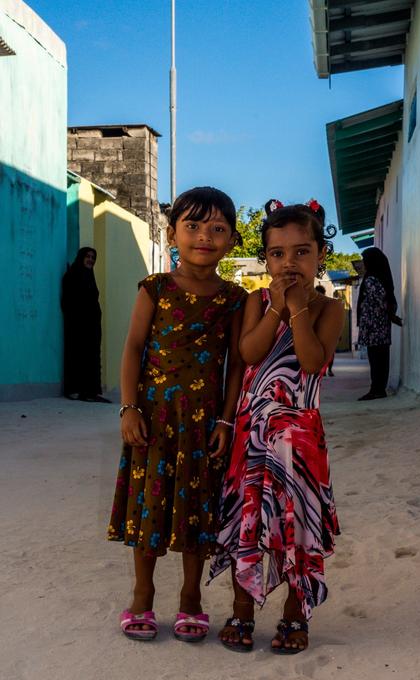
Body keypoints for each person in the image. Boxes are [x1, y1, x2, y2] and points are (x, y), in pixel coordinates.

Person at [108, 186, 248, 642]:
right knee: (147, 506)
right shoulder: (156, 288)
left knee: (197, 511)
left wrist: (226, 420)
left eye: (217, 229)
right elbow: (132, 348)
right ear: (172, 233)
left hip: (203, 423)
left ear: (231, 240)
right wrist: (128, 408)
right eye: (193, 226)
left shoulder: (234, 299)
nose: (203, 236)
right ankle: (142, 597)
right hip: (153, 417)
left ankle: (192, 599)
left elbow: (235, 367)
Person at [208, 199, 344, 653]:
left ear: (320, 255)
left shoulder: (329, 309)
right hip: (252, 436)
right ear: (265, 258)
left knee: (297, 528)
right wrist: (277, 311)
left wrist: (300, 309)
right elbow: (249, 353)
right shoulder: (254, 302)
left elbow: (310, 361)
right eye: (278, 253)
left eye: (302, 252)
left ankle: (294, 614)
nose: (290, 263)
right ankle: (242, 610)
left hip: (300, 441)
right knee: (249, 522)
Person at [61, 247, 110, 402]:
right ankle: (73, 389)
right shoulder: (71, 276)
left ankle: (90, 391)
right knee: (76, 354)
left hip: (92, 325)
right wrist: (75, 319)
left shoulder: (90, 276)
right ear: (81, 257)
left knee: (92, 356)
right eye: (88, 256)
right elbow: (67, 301)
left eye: (93, 257)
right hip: (77, 324)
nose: (90, 260)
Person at [356, 247, 398, 401]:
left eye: (365, 260)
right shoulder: (377, 277)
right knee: (380, 358)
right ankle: (378, 389)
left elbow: (380, 300)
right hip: (378, 326)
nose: (363, 263)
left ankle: (377, 389)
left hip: (375, 326)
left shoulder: (372, 279)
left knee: (377, 359)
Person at [315, 284, 335, 376]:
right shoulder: (311, 304)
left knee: (329, 354)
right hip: (317, 333)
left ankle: (328, 370)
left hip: (326, 332)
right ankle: (322, 370)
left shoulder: (327, 304)